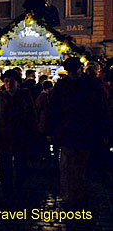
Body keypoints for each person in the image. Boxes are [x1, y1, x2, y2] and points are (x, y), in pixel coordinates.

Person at [48, 57, 108, 209]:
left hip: (83, 131)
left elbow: (100, 108)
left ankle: (78, 194)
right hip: (71, 132)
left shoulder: (90, 84)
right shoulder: (66, 84)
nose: (73, 74)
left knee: (80, 165)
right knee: (69, 166)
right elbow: (54, 109)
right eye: (71, 71)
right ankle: (70, 195)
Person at [0, 69, 37, 204]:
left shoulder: (25, 95)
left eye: (11, 81)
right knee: (5, 168)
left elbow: (32, 116)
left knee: (21, 167)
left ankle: (20, 192)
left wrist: (32, 134)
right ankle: (7, 194)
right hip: (4, 138)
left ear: (17, 82)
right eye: (6, 81)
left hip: (21, 137)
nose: (8, 84)